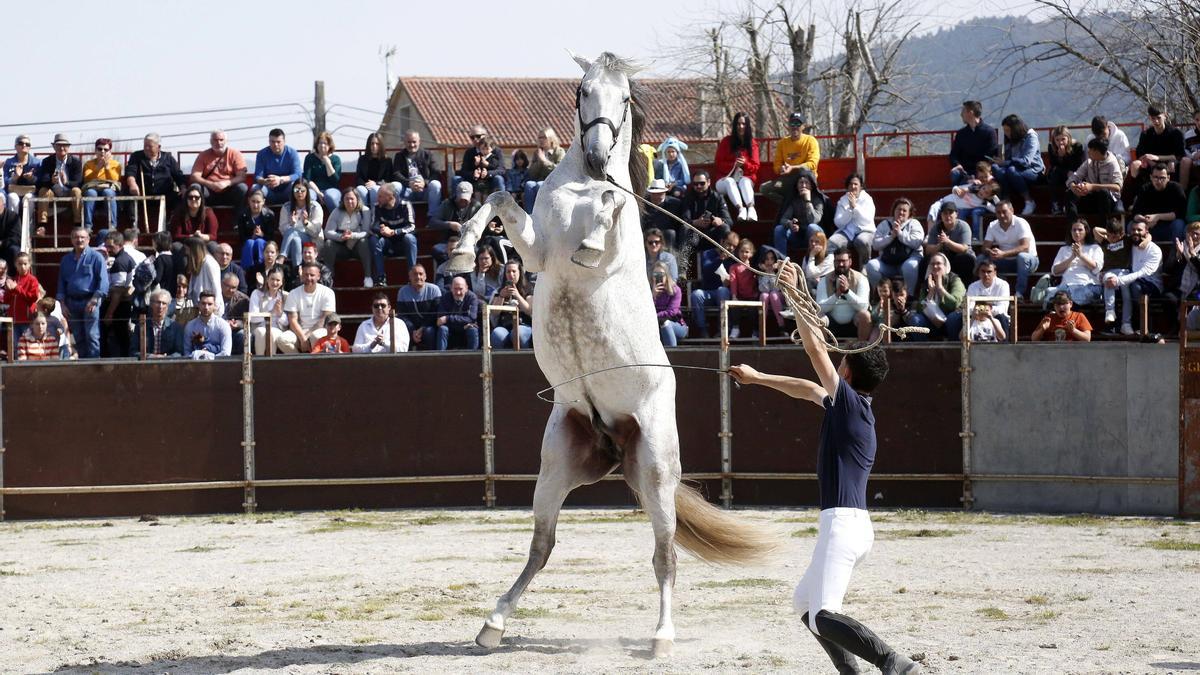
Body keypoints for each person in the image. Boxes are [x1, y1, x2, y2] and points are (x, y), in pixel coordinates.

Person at [728, 264, 919, 675]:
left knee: (822, 614)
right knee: (805, 604)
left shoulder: (849, 404)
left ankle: (894, 663)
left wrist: (794, 292)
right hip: (852, 525)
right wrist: (758, 377)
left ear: (848, 372)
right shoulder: (849, 407)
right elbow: (809, 388)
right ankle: (851, 671)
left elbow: (815, 352)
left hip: (842, 525)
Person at [1102, 220, 1162, 335]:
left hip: (1151, 284)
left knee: (1133, 287)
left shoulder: (1154, 250)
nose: (1136, 232)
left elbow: (1144, 273)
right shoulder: (1131, 244)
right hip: (1130, 279)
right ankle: (1116, 326)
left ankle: (1142, 327)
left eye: (1139, 230)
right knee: (1112, 285)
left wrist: (1119, 281)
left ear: (1146, 232)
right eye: (1133, 230)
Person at [56, 227, 107, 358]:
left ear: (88, 239)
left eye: (82, 237)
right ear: (71, 240)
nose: (79, 240)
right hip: (71, 303)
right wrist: (62, 304)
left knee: (92, 336)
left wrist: (95, 299)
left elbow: (103, 282)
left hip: (90, 301)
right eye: (76, 237)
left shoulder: (97, 257)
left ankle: (95, 367)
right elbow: (61, 283)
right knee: (78, 337)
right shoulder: (65, 260)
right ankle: (84, 367)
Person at [865, 198, 924, 297]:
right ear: (894, 211)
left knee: (910, 266)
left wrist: (900, 234)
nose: (901, 212)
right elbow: (875, 245)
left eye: (904, 210)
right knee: (871, 265)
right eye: (898, 209)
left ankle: (910, 296)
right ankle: (881, 296)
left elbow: (917, 242)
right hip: (888, 262)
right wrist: (891, 236)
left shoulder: (914, 224)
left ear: (909, 213)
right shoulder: (885, 224)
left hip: (908, 260)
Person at [979, 201, 1038, 298]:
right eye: (998, 212)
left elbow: (1025, 247)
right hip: (1006, 261)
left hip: (1029, 261)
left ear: (1012, 211)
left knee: (1022, 257)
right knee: (981, 259)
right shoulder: (993, 225)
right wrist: (991, 252)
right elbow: (984, 247)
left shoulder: (1021, 223)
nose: (1001, 215)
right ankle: (981, 291)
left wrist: (1003, 254)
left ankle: (1019, 294)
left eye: (1004, 211)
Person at [760, 112, 821, 202]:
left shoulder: (811, 141)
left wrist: (792, 167)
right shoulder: (782, 143)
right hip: (788, 179)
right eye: (792, 124)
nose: (795, 127)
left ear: (803, 126)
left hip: (807, 179)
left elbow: (812, 164)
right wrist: (782, 169)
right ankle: (788, 205)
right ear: (788, 126)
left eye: (798, 124)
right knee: (764, 188)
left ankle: (801, 206)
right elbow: (776, 166)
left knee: (803, 188)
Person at [278, 262, 336, 353]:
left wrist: (306, 336)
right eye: (306, 275)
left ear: (318, 276)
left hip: (319, 330)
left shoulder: (328, 293)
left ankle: (315, 365)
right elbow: (292, 320)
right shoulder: (293, 293)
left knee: (316, 337)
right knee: (282, 339)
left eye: (312, 275)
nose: (309, 278)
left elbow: (324, 319)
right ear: (301, 276)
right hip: (299, 332)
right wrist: (302, 338)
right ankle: (299, 362)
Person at [124, 132, 186, 217]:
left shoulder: (168, 158)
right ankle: (133, 224)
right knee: (129, 195)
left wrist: (183, 188)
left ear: (158, 147)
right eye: (145, 145)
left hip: (165, 195)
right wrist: (132, 184)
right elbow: (130, 171)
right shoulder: (137, 156)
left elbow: (178, 175)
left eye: (150, 146)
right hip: (143, 195)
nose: (146, 148)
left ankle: (173, 223)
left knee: (181, 198)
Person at [714, 112, 761, 222]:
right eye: (738, 124)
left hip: (745, 179)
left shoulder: (752, 144)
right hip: (724, 180)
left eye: (743, 124)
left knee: (744, 181)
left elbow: (755, 166)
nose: (741, 127)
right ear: (734, 125)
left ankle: (751, 209)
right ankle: (741, 209)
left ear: (747, 126)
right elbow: (718, 163)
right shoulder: (726, 141)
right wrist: (734, 165)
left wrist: (745, 164)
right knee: (730, 181)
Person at [992, 114, 1044, 214]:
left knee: (1011, 170)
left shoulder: (1031, 137)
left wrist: (1005, 163)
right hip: (1014, 168)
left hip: (1032, 170)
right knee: (996, 168)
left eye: (1008, 130)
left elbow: (1026, 161)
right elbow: (1008, 159)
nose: (1006, 133)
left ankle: (1029, 201)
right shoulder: (1010, 139)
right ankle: (1005, 202)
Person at [906, 252, 965, 340]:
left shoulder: (954, 280)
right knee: (915, 319)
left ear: (945, 266)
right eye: (932, 264)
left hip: (950, 320)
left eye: (938, 263)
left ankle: (954, 349)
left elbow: (955, 304)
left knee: (953, 317)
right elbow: (919, 309)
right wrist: (930, 293)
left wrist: (940, 288)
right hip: (932, 321)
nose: (935, 266)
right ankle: (924, 350)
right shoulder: (927, 283)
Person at [1045, 219, 1103, 308]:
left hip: (1087, 285)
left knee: (1070, 298)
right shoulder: (1063, 249)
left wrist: (1080, 255)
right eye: (1074, 230)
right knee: (1050, 294)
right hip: (1066, 286)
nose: (1076, 232)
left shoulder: (1094, 248)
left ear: (1086, 231)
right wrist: (1072, 257)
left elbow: (1096, 268)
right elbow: (1055, 271)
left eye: (1080, 230)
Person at [690, 230, 737, 337]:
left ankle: (723, 330)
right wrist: (720, 259)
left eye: (734, 246)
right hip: (708, 292)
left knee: (723, 290)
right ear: (722, 241)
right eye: (729, 244)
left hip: (724, 293)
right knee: (696, 294)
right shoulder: (708, 253)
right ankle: (703, 331)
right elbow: (706, 270)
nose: (731, 248)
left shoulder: (734, 259)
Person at [816, 249, 872, 340]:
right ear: (834, 262)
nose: (841, 264)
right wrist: (837, 294)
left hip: (854, 322)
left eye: (843, 261)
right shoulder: (824, 280)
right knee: (818, 317)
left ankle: (862, 350)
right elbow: (820, 308)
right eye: (838, 261)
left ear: (850, 262)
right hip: (831, 322)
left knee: (865, 315)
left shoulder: (861, 279)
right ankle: (824, 351)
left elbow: (863, 307)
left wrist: (847, 292)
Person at [322, 189, 373, 287]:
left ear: (357, 199)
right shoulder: (337, 211)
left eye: (352, 199)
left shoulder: (365, 211)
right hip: (342, 247)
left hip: (357, 247)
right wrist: (340, 236)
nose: (349, 202)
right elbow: (327, 232)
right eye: (346, 199)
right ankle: (328, 278)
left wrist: (352, 235)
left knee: (364, 241)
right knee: (328, 244)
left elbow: (366, 232)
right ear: (342, 201)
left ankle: (368, 277)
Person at [189, 129, 248, 212]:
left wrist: (227, 183)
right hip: (209, 192)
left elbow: (242, 176)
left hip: (229, 191)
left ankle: (238, 223)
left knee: (242, 188)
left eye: (221, 140)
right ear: (210, 141)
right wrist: (211, 184)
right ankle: (199, 221)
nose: (218, 143)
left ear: (226, 141)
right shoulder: (203, 155)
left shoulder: (235, 154)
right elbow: (195, 176)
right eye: (215, 140)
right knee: (195, 187)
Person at [1065, 138, 1123, 222]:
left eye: (1090, 150)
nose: (1088, 152)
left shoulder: (1112, 163)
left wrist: (1092, 187)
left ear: (1097, 151)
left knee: (1103, 193)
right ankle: (1073, 226)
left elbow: (1117, 187)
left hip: (1108, 201)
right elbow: (1073, 178)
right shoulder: (1089, 162)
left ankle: (1103, 228)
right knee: (1070, 193)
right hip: (1092, 199)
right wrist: (1074, 187)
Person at [370, 183, 417, 284]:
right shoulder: (377, 207)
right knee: (374, 240)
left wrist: (393, 232)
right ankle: (380, 278)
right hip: (387, 242)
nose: (377, 199)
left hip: (402, 242)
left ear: (390, 196)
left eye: (380, 196)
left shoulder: (405, 205)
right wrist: (382, 229)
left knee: (410, 238)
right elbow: (374, 226)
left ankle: (413, 276)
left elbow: (412, 226)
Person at [926, 179, 999, 242]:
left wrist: (994, 197)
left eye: (986, 193)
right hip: (943, 202)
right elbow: (955, 188)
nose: (983, 192)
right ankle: (929, 235)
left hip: (952, 209)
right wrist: (957, 190)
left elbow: (997, 209)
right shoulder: (970, 188)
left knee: (955, 216)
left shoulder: (983, 203)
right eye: (983, 189)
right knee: (933, 208)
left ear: (989, 197)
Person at [1130, 162, 1187, 242]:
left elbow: (1181, 213)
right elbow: (1135, 213)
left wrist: (1157, 216)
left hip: (1169, 226)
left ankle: (1176, 253)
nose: (1158, 181)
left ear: (1168, 178)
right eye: (1155, 177)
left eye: (1162, 178)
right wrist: (1145, 219)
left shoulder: (1176, 189)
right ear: (1151, 177)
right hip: (1149, 226)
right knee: (1131, 225)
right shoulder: (1145, 189)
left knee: (1179, 224)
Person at [773, 168, 825, 255]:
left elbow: (814, 221)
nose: (803, 185)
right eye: (801, 182)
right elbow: (783, 219)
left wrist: (808, 201)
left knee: (812, 227)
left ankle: (815, 259)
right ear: (797, 185)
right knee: (779, 229)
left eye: (806, 183)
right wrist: (790, 224)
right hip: (797, 237)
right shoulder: (794, 200)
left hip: (814, 236)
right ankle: (781, 261)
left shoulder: (818, 200)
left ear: (811, 186)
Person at [36, 133, 84, 227]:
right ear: (54, 147)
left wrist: (67, 182)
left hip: (70, 193)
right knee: (43, 191)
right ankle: (42, 225)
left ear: (68, 147)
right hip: (54, 193)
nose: (62, 148)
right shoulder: (47, 161)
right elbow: (41, 182)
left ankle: (78, 224)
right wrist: (51, 181)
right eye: (59, 145)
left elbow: (79, 182)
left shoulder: (76, 162)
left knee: (77, 191)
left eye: (64, 146)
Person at [921, 202, 976, 282]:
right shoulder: (936, 228)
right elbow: (928, 250)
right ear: (941, 215)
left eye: (950, 213)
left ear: (956, 214)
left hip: (962, 255)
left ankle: (966, 287)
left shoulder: (963, 226)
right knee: (925, 261)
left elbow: (964, 249)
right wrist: (939, 245)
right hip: (944, 255)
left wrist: (947, 242)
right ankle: (925, 288)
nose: (948, 216)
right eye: (945, 213)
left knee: (966, 259)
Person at [949, 100, 1001, 186]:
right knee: (955, 174)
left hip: (983, 171)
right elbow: (953, 154)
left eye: (963, 111)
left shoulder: (989, 132)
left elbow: (991, 155)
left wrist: (979, 172)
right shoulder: (961, 134)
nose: (961, 115)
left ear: (970, 113)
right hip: (965, 171)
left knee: (968, 185)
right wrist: (957, 165)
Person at [101, 230, 136, 357]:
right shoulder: (123, 258)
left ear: (120, 245)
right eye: (106, 246)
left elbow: (118, 291)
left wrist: (109, 313)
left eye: (111, 246)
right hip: (121, 305)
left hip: (119, 306)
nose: (108, 249)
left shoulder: (120, 262)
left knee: (119, 338)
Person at [392, 130, 443, 214]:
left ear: (419, 142)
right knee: (395, 186)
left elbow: (436, 173)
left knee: (436, 184)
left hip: (425, 190)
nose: (411, 145)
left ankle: (433, 217)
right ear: (404, 142)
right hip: (407, 190)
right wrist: (409, 183)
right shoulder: (399, 156)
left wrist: (424, 183)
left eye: (414, 142)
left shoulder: (428, 154)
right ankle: (399, 216)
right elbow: (396, 174)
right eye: (409, 142)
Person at [1129, 104, 1186, 180]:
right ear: (1150, 118)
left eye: (1159, 118)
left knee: (1172, 165)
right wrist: (1151, 162)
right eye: (1153, 118)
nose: (1156, 121)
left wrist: (1157, 158)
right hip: (1150, 163)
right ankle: (1138, 191)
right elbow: (1140, 153)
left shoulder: (1176, 133)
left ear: (1165, 116)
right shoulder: (1145, 134)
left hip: (1169, 163)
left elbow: (1180, 155)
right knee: (1135, 164)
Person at [678, 171, 731, 252]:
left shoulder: (718, 198)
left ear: (708, 182)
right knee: (684, 228)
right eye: (696, 184)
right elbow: (682, 220)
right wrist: (695, 222)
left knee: (725, 227)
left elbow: (729, 221)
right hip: (693, 235)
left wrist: (720, 221)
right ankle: (683, 262)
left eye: (702, 183)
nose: (699, 186)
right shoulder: (687, 197)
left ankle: (724, 258)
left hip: (711, 235)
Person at [830, 174, 876, 264]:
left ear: (861, 187)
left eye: (855, 184)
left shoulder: (867, 199)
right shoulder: (842, 200)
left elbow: (867, 220)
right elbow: (838, 222)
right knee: (832, 242)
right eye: (850, 184)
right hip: (847, 232)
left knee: (862, 241)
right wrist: (850, 210)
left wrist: (855, 207)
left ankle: (865, 268)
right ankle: (832, 270)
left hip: (865, 231)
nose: (853, 186)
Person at [430, 182, 481, 263]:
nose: (463, 201)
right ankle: (449, 271)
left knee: (479, 252)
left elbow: (481, 226)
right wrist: (449, 224)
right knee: (436, 250)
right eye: (461, 198)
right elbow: (432, 222)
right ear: (456, 194)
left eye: (465, 199)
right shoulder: (447, 204)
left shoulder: (476, 206)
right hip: (447, 242)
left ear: (471, 195)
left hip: (468, 243)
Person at [488, 260, 533, 349]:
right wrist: (501, 296)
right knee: (497, 335)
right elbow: (494, 313)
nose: (511, 274)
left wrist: (517, 295)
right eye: (508, 271)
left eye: (514, 271)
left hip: (523, 324)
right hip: (504, 325)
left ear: (520, 272)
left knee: (518, 333)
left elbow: (529, 310)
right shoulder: (498, 291)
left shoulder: (528, 289)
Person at [396, 264, 441, 350]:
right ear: (409, 277)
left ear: (425, 276)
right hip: (411, 326)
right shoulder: (403, 292)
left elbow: (435, 314)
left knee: (429, 332)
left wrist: (422, 328)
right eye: (415, 274)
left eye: (421, 274)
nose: (418, 277)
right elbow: (402, 315)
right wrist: (413, 331)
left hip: (429, 325)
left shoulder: (434, 290)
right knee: (404, 332)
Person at [278, 181, 324, 265]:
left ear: (307, 191)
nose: (299, 193)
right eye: (296, 190)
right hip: (292, 243)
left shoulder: (315, 207)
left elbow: (316, 232)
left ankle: (281, 258)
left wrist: (306, 223)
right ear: (292, 191)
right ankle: (297, 272)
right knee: (295, 239)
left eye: (302, 190)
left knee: (292, 231)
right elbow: (283, 231)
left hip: (312, 241)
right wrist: (291, 224)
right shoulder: (286, 207)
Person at [253, 128, 302, 206]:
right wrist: (266, 181)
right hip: (269, 191)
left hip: (287, 191)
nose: (275, 145)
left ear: (284, 141)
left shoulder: (292, 153)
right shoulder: (261, 154)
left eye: (278, 142)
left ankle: (297, 213)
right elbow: (258, 176)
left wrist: (280, 180)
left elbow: (297, 174)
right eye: (272, 142)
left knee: (296, 187)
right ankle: (258, 216)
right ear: (269, 141)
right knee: (255, 188)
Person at [82, 138, 121, 231]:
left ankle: (112, 226)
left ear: (110, 151)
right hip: (93, 187)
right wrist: (98, 167)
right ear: (95, 150)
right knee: (90, 193)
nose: (102, 151)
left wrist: (107, 167)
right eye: (99, 149)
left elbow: (115, 179)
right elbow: (87, 178)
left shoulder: (116, 164)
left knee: (109, 193)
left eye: (106, 149)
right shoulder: (88, 164)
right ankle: (88, 226)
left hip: (108, 187)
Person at [130, 289, 183, 358]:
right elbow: (133, 352)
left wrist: (165, 358)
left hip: (168, 366)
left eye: (164, 303)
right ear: (151, 304)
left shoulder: (175, 327)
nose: (160, 306)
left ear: (167, 307)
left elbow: (179, 353)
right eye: (158, 302)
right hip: (146, 366)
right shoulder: (141, 326)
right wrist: (151, 356)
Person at [248, 266, 288, 355]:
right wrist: (271, 312)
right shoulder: (257, 294)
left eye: (278, 280)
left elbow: (286, 323)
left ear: (282, 282)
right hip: (259, 327)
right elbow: (253, 318)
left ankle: (270, 364)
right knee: (261, 332)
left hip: (277, 328)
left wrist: (280, 313)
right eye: (272, 279)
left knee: (272, 333)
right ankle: (260, 362)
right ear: (267, 280)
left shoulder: (285, 296)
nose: (274, 282)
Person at [237, 191, 278, 279]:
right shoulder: (243, 215)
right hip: (248, 244)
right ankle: (246, 271)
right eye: (253, 201)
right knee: (250, 242)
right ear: (249, 201)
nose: (255, 205)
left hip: (263, 244)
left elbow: (272, 238)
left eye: (258, 202)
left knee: (259, 242)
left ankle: (262, 269)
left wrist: (262, 235)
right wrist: (252, 236)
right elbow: (241, 237)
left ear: (263, 201)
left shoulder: (269, 215)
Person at [1045, 125, 1085, 215]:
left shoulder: (1077, 146)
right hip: (1060, 173)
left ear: (1068, 138)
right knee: (1055, 174)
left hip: (1073, 172)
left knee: (1071, 175)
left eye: (1063, 139)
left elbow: (1076, 165)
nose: (1060, 143)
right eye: (1057, 140)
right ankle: (1055, 204)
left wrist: (1066, 156)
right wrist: (1060, 157)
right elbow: (1053, 164)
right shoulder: (1052, 147)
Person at [524, 127, 565, 213]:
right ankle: (531, 214)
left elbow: (560, 170)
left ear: (551, 138)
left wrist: (544, 161)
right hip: (539, 180)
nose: (541, 140)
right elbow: (532, 174)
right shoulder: (537, 153)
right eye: (539, 137)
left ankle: (543, 213)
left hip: (554, 182)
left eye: (544, 137)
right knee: (529, 184)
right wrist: (539, 161)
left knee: (540, 185)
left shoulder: (559, 152)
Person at [457, 125, 504, 198]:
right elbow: (463, 171)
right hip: (474, 180)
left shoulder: (496, 151)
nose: (475, 139)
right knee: (456, 180)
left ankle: (502, 205)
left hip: (491, 179)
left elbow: (501, 169)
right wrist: (473, 174)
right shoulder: (469, 152)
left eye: (478, 136)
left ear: (486, 136)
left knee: (499, 179)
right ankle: (455, 206)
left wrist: (488, 173)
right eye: (472, 137)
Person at [183, 291, 232, 359]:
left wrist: (209, 358)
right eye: (203, 303)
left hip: (219, 365)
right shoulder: (190, 326)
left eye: (210, 304)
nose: (206, 307)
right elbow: (186, 352)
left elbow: (226, 353)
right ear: (198, 304)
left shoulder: (223, 325)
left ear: (214, 305)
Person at [436, 275, 480, 350]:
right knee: (442, 329)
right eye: (455, 289)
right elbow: (440, 319)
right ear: (451, 288)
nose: (458, 292)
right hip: (451, 329)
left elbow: (471, 318)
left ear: (466, 288)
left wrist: (448, 318)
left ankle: (473, 358)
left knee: (473, 330)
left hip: (466, 329)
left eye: (461, 289)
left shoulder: (472, 297)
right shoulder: (445, 297)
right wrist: (463, 323)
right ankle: (441, 357)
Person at [302, 131, 342, 213]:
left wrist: (328, 163)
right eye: (320, 143)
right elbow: (308, 179)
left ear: (330, 145)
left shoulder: (336, 159)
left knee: (330, 196)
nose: (322, 146)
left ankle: (337, 220)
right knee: (310, 196)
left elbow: (335, 181)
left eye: (325, 143)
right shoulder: (310, 158)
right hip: (314, 189)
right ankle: (308, 221)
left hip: (332, 189)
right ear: (316, 144)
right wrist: (318, 193)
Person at [184, 237, 224, 317]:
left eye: (187, 249)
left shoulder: (209, 263)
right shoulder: (198, 263)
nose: (186, 252)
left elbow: (216, 286)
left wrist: (215, 306)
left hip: (210, 309)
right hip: (199, 308)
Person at [726, 239, 758, 338]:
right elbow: (733, 281)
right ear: (738, 252)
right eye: (742, 251)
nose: (744, 254)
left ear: (751, 253)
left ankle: (755, 331)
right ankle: (735, 328)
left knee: (753, 311)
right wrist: (734, 295)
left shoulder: (753, 267)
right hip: (739, 296)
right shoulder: (733, 267)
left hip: (752, 296)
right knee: (734, 307)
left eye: (747, 252)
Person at [651, 262, 687, 347]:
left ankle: (672, 356)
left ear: (667, 276)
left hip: (676, 325)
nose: (658, 277)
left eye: (661, 274)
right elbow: (644, 311)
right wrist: (653, 296)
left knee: (665, 323)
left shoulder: (675, 290)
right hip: (655, 326)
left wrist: (654, 317)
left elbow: (672, 312)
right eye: (655, 274)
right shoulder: (648, 290)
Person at [355, 132, 393, 209]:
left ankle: (374, 214)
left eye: (377, 144)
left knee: (374, 190)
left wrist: (375, 183)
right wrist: (366, 185)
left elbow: (388, 179)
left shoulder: (387, 161)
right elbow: (358, 177)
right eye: (372, 144)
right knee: (359, 189)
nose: (374, 146)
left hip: (379, 187)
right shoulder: (362, 159)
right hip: (365, 186)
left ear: (381, 145)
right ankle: (364, 214)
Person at [643, 179, 683, 249]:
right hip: (648, 235)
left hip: (667, 236)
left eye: (659, 193)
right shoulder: (644, 204)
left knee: (671, 233)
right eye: (653, 194)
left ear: (664, 193)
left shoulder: (675, 204)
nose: (656, 196)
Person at [7, 252, 43, 330]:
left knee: (27, 341)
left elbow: (33, 297)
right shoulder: (14, 279)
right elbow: (7, 300)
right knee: (14, 342)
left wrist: (17, 288)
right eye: (19, 264)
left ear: (29, 264)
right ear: (15, 265)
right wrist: (8, 290)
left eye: (25, 264)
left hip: (27, 320)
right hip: (14, 319)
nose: (22, 266)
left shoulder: (32, 280)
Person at [4, 134, 39, 214]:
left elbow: (41, 181)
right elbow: (5, 182)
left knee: (28, 198)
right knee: (12, 197)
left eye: (27, 144)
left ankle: (28, 225)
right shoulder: (9, 162)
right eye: (21, 143)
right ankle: (13, 225)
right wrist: (15, 177)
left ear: (30, 147)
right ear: (15, 146)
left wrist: (31, 178)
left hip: (30, 192)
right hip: (14, 191)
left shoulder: (37, 163)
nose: (24, 145)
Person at [221, 272, 250, 355]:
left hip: (235, 331)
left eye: (233, 287)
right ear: (221, 284)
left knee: (244, 335)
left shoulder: (243, 300)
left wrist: (238, 323)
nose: (230, 290)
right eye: (227, 286)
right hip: (218, 331)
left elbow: (247, 321)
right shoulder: (214, 297)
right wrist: (224, 323)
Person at [757, 247, 786, 330]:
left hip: (779, 297)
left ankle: (782, 326)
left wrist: (772, 273)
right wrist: (767, 272)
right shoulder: (760, 273)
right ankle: (762, 327)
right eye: (766, 259)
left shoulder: (779, 272)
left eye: (772, 259)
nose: (769, 262)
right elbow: (763, 289)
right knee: (764, 295)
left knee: (773, 294)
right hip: (767, 297)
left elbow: (776, 288)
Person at [0, 196, 23, 270]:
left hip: (7, 248)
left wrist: (2, 243)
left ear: (3, 204)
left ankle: (13, 277)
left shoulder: (13, 217)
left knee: (14, 250)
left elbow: (17, 238)